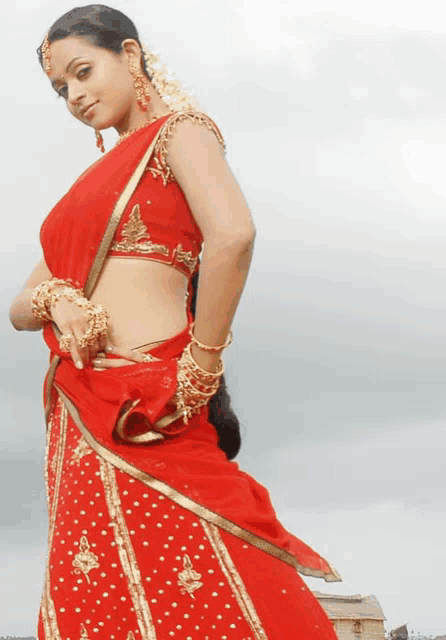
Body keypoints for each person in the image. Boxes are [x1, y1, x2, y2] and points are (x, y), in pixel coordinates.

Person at [9, 5, 342, 639]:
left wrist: (203, 363)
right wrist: (59, 298)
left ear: (130, 56)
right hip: (84, 414)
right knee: (101, 581)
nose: (75, 95)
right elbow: (19, 308)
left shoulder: (181, 132)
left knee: (210, 559)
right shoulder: (89, 188)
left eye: (84, 72)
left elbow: (233, 235)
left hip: (156, 398)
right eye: (61, 89)